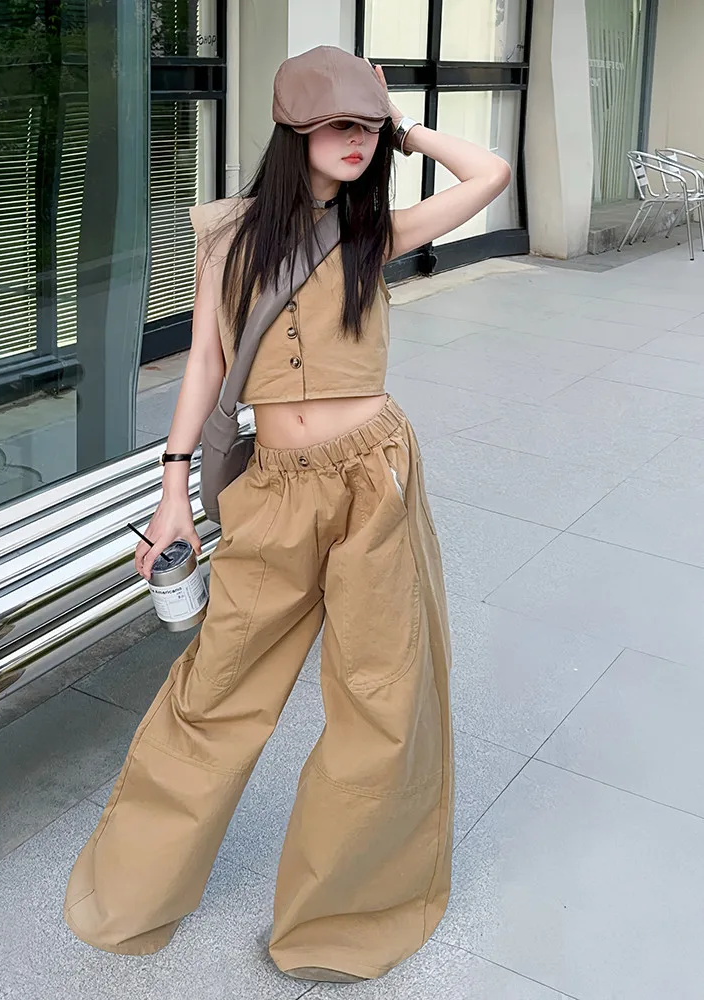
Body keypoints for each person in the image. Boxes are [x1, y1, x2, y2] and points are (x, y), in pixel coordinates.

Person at [63, 44, 511, 983]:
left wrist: (405, 124)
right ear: (294, 130)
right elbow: (204, 363)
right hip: (274, 484)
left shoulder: (372, 230)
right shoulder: (228, 236)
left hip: (374, 477)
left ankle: (340, 925)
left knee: (381, 696)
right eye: (337, 125)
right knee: (217, 687)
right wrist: (173, 492)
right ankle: (133, 892)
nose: (357, 141)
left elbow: (491, 174)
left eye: (366, 127)